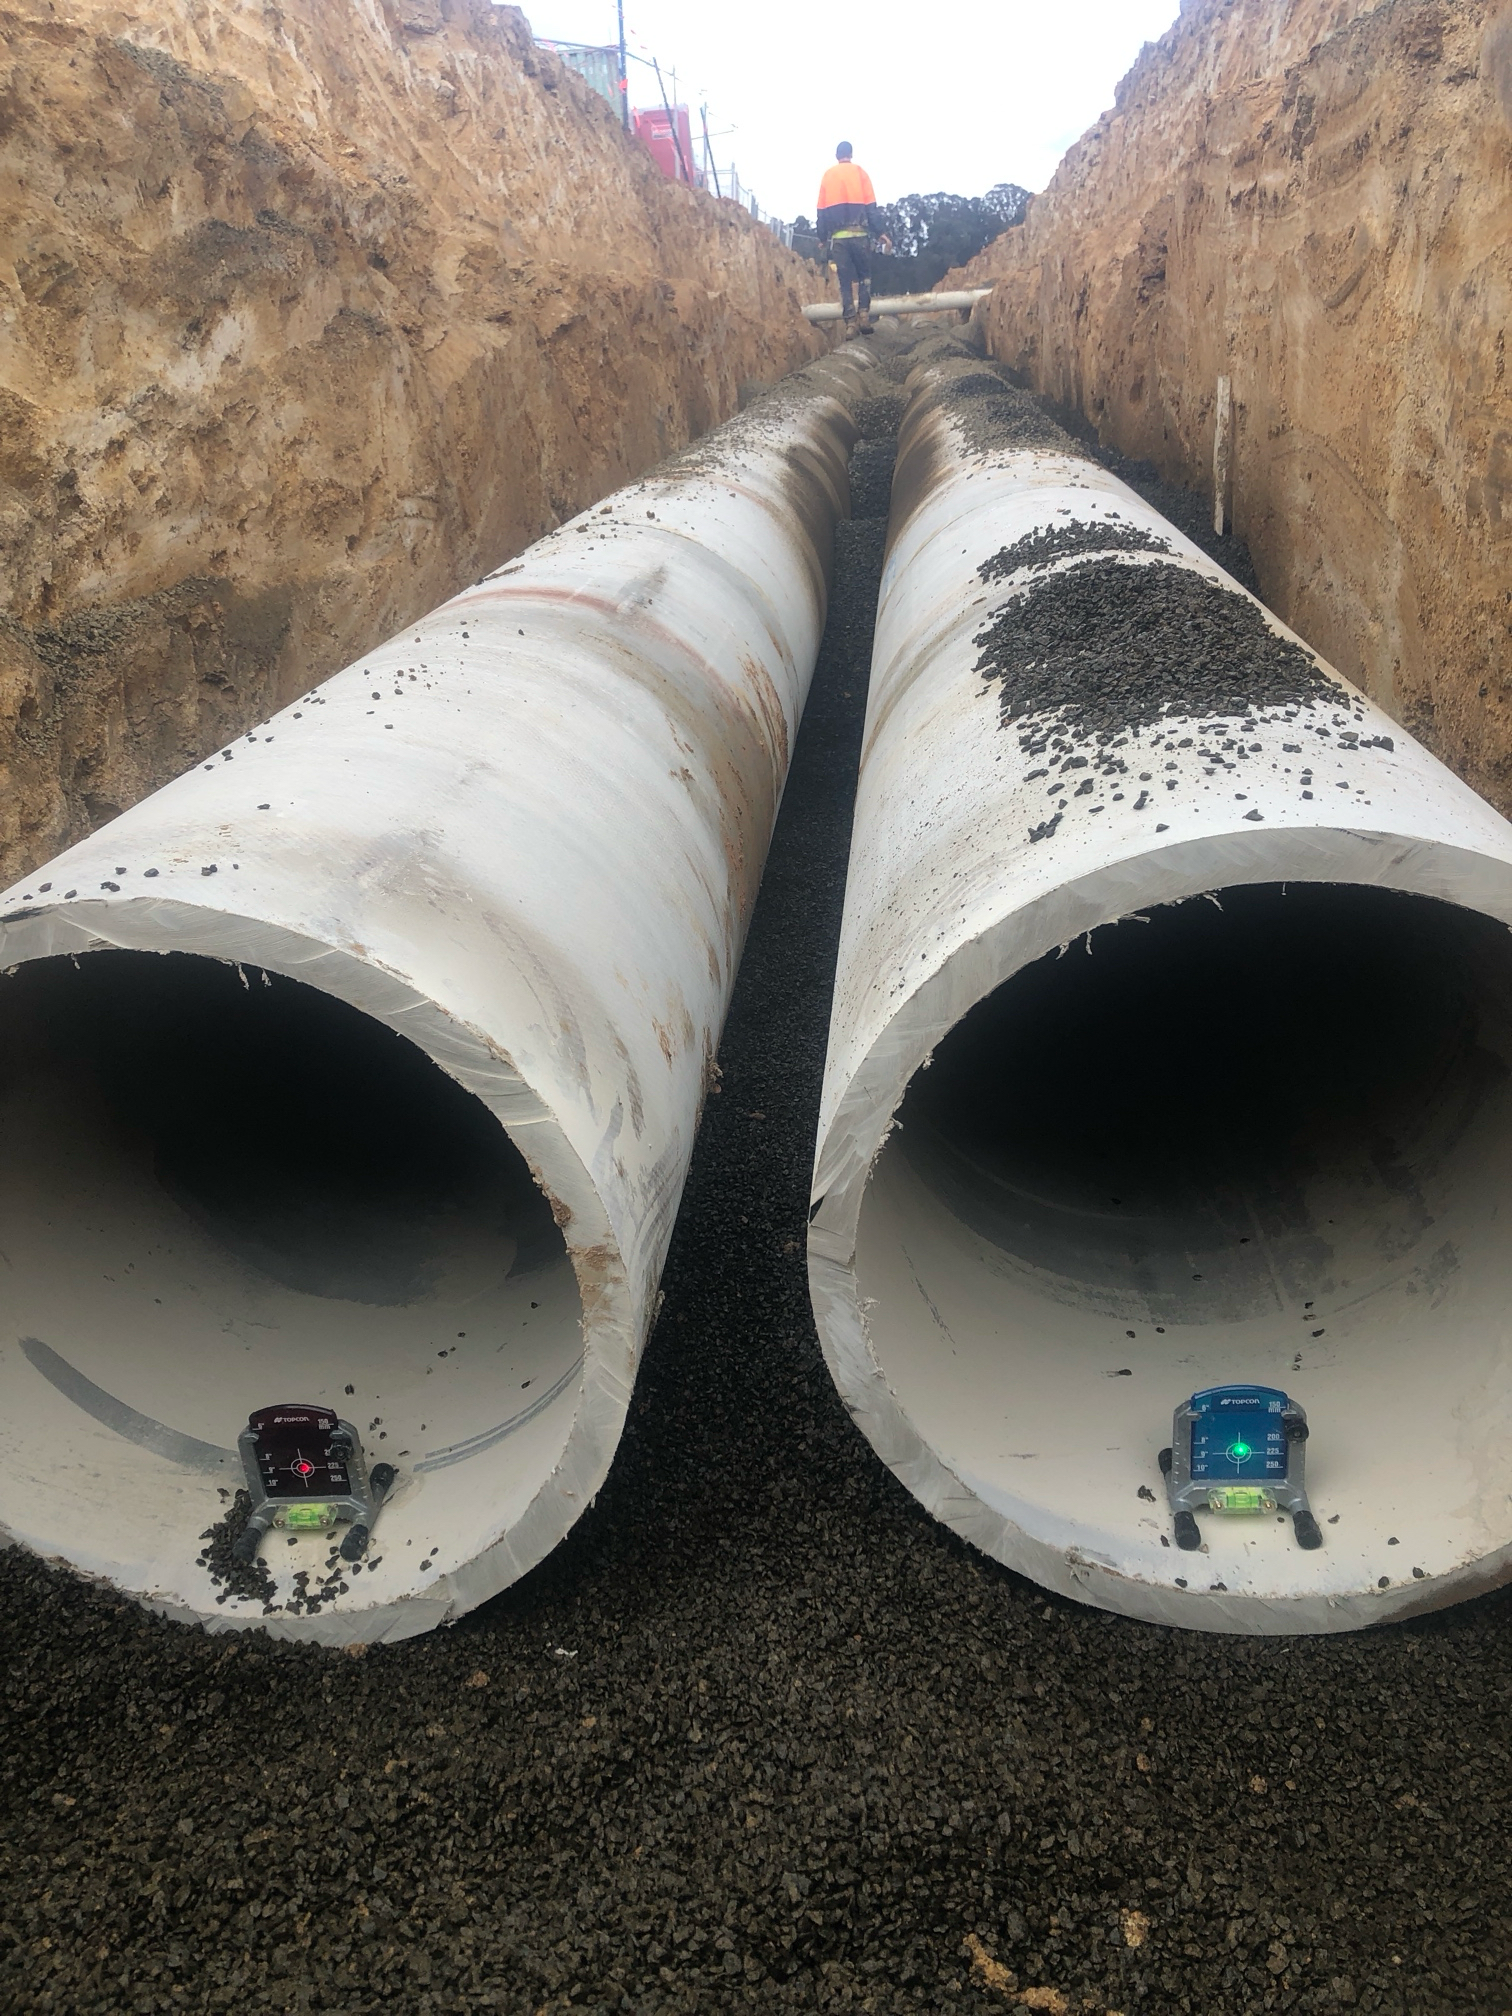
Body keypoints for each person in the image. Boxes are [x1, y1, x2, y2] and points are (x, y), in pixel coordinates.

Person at [816, 142, 891, 333]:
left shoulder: (828, 176)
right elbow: (871, 209)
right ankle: (864, 315)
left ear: (836, 155)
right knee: (865, 277)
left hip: (839, 240)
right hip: (860, 236)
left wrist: (822, 238)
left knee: (845, 280)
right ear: (851, 154)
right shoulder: (861, 173)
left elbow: (821, 212)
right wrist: (880, 232)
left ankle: (850, 323)